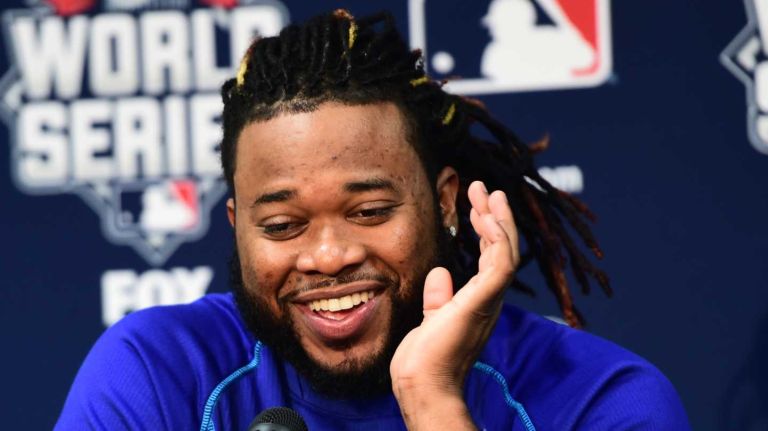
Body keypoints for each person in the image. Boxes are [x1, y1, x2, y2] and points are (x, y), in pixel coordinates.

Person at [56, 10, 690, 430]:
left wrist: (433, 400)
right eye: (281, 226)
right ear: (237, 229)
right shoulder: (155, 373)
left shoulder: (600, 400)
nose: (328, 255)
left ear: (444, 203)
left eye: (369, 212)